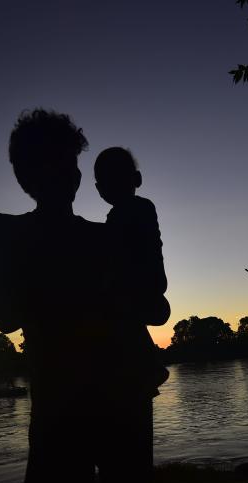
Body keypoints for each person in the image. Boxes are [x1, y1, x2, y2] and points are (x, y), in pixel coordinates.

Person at [0, 109, 167, 483]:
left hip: (121, 400)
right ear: (26, 175)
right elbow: (3, 313)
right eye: (56, 164)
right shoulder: (7, 231)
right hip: (67, 406)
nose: (69, 175)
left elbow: (155, 307)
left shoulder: (105, 233)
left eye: (71, 164)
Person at [94, 146, 170, 395]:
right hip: (150, 281)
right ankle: (150, 365)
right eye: (108, 181)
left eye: (116, 179)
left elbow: (117, 256)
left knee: (121, 315)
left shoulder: (125, 213)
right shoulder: (142, 207)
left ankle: (149, 366)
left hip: (141, 281)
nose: (111, 187)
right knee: (130, 322)